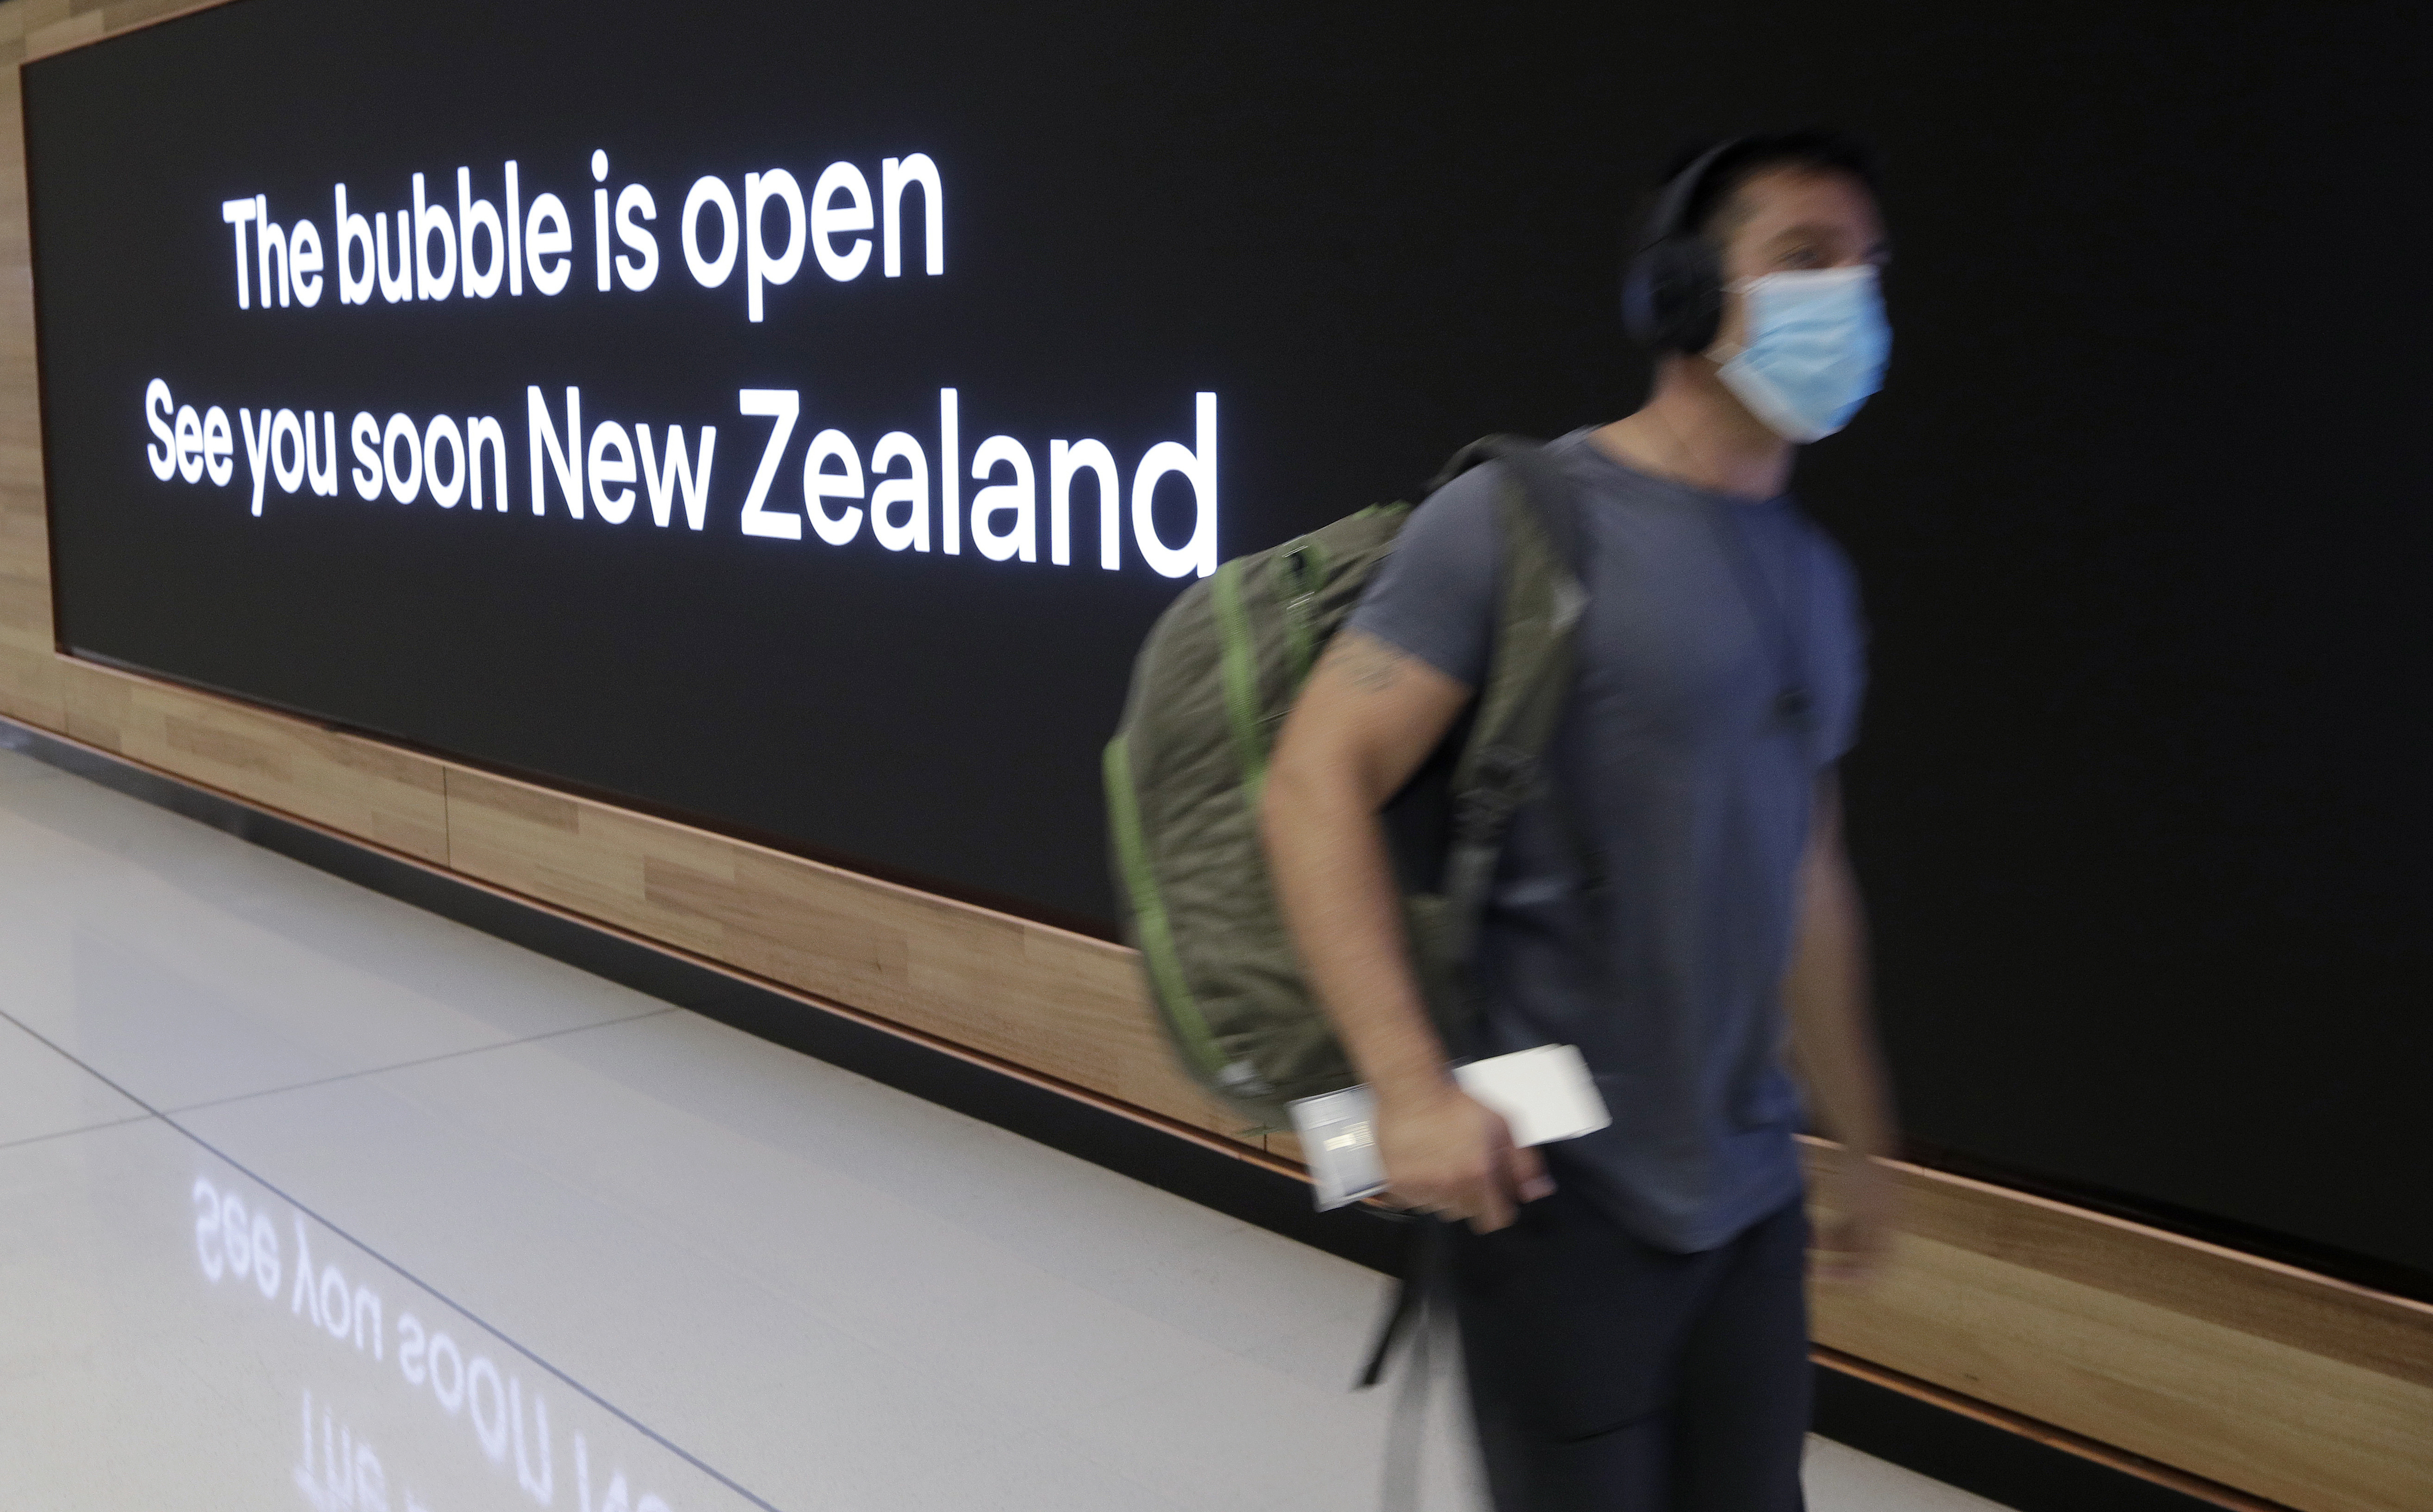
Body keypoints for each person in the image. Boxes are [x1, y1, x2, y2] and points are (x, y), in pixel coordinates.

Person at [1260, 130, 1902, 1511]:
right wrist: (1411, 1090)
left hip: (1748, 1197)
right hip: (1562, 1201)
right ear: (1681, 296)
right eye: (1803, 256)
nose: (1848, 294)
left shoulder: (1812, 577)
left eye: (1866, 264)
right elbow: (1311, 783)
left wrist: (1858, 1136)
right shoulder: (1520, 523)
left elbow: (1807, 870)